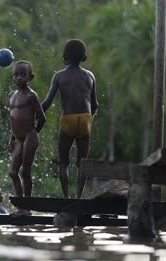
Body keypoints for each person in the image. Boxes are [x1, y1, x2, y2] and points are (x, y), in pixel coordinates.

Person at [41, 39, 99, 199]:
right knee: (82, 164)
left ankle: (66, 197)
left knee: (63, 162)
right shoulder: (90, 76)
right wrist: (89, 122)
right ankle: (78, 197)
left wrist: (34, 115)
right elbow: (95, 105)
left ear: (65, 56)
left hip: (68, 119)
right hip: (85, 119)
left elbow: (47, 102)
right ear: (83, 57)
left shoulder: (59, 76)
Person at [7, 60, 46, 216]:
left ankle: (26, 207)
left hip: (29, 136)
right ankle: (20, 205)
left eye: (23, 75)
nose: (19, 78)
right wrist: (11, 140)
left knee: (25, 171)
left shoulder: (31, 96)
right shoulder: (12, 95)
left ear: (31, 77)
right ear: (12, 77)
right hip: (18, 139)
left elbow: (42, 118)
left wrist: (34, 133)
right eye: (16, 75)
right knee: (13, 172)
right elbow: (13, 119)